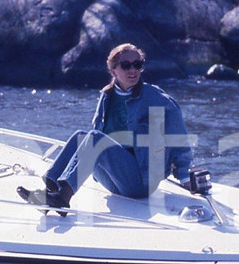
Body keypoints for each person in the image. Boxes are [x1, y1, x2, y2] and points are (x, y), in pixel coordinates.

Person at [17, 43, 192, 214]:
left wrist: (184, 175)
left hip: (141, 181)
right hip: (115, 180)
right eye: (126, 65)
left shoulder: (154, 97)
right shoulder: (107, 96)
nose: (133, 70)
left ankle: (63, 197)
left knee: (95, 138)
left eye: (137, 65)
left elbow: (177, 135)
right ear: (113, 70)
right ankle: (50, 192)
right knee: (81, 136)